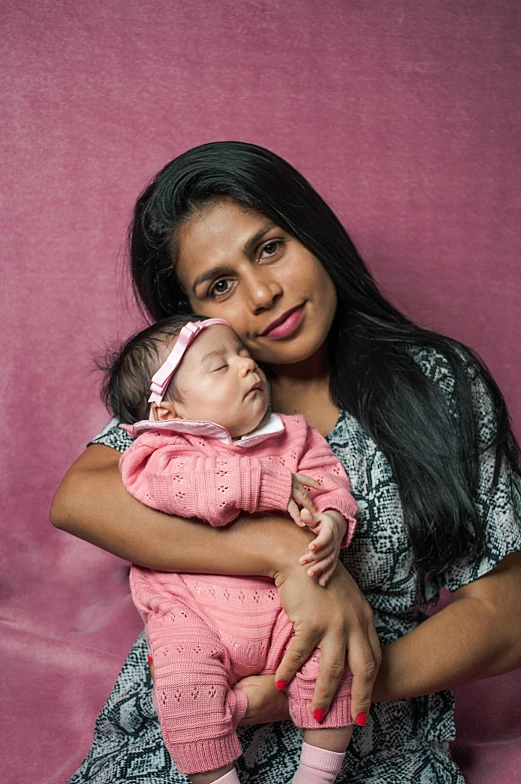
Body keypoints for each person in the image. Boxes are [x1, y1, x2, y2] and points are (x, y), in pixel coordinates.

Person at [51, 141, 521, 784]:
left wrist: (341, 679)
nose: (264, 293)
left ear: (312, 231)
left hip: (361, 732)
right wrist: (287, 558)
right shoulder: (199, 399)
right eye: (220, 285)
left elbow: (505, 615)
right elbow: (79, 498)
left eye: (269, 247)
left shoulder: (438, 382)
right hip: (198, 719)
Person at [105, 313, 359, 783]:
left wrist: (332, 518)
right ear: (168, 411)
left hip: (288, 609)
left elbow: (328, 481)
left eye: (244, 355)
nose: (247, 367)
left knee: (336, 657)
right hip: (195, 614)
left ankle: (317, 775)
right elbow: (174, 486)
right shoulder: (159, 448)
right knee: (184, 690)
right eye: (220, 367)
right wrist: (264, 482)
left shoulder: (294, 435)